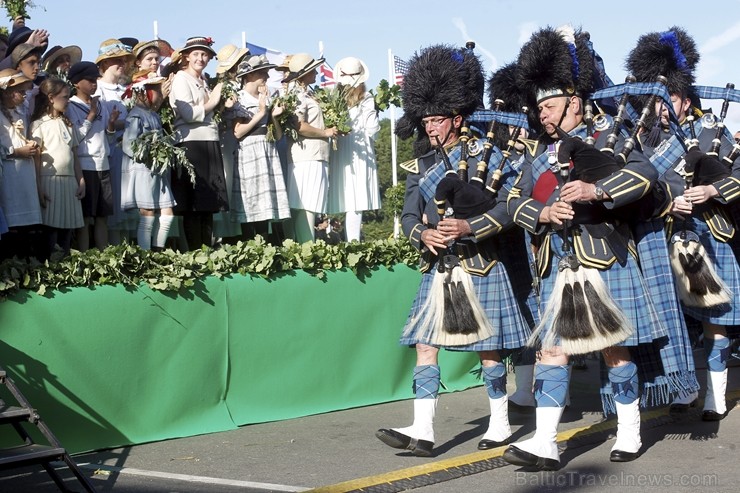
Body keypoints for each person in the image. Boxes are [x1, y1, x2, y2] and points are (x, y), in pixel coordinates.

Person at [502, 26, 668, 470]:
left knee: (614, 350)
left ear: (574, 102)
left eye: (550, 106)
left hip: (604, 255)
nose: (544, 115)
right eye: (539, 108)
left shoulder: (609, 136)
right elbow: (512, 201)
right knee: (551, 351)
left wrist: (595, 192)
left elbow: (644, 174)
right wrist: (541, 214)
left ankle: (630, 429)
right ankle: (545, 442)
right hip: (558, 264)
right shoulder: (540, 152)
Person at [375, 44, 531, 457]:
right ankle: (423, 430)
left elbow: (508, 208)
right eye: (425, 120)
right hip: (440, 266)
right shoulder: (422, 164)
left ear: (457, 118)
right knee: (425, 345)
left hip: (481, 262)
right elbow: (409, 216)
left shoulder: (488, 155)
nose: (429, 128)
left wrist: (468, 226)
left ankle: (499, 423)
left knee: (489, 348)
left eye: (437, 120)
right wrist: (422, 236)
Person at [627, 27, 739, 421]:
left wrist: (711, 191)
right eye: (657, 100)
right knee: (674, 321)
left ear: (685, 100)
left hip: (707, 235)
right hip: (661, 239)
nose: (662, 107)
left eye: (669, 99)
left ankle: (716, 397)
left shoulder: (710, 132)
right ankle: (685, 387)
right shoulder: (641, 142)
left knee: (715, 323)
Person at [168, 36, 229, 250]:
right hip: (191, 144)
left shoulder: (204, 81)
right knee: (193, 203)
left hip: (209, 140)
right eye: (195, 54)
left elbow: (208, 114)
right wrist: (214, 100)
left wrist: (221, 106)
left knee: (208, 203)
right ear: (186, 56)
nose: (200, 58)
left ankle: (207, 249)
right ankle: (195, 251)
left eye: (204, 54)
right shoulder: (181, 79)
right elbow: (188, 113)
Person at [230, 55, 290, 241]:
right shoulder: (240, 98)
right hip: (249, 149)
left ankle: (266, 246)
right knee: (251, 200)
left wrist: (273, 115)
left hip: (267, 148)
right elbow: (238, 132)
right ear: (249, 76)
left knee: (265, 202)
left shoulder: (267, 97)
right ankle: (250, 245)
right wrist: (261, 112)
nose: (265, 76)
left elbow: (278, 135)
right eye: (261, 72)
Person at [283, 53, 339, 243]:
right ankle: (306, 246)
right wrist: (325, 133)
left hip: (314, 153)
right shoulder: (297, 94)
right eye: (312, 69)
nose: (316, 72)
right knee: (306, 203)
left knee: (310, 203)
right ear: (304, 73)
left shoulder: (307, 92)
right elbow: (299, 125)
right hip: (306, 155)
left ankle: (306, 244)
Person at [120, 70, 176, 251]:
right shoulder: (135, 116)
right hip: (143, 169)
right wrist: (149, 152)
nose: (159, 95)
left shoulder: (154, 115)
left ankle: (158, 249)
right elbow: (129, 145)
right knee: (148, 213)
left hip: (157, 170)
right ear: (143, 92)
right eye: (155, 90)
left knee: (167, 210)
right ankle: (146, 255)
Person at [30, 77, 85, 258]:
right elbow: (36, 160)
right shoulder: (38, 125)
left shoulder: (68, 124)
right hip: (49, 180)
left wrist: (81, 180)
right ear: (51, 97)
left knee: (67, 227)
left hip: (69, 181)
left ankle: (66, 264)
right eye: (65, 97)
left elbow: (74, 155)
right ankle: (50, 267)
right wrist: (39, 188)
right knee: (51, 228)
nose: (68, 101)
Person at [327, 57, 380, 242]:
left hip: (340, 148)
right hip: (360, 149)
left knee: (345, 196)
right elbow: (372, 128)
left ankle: (343, 239)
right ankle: (353, 242)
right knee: (357, 199)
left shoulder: (334, 98)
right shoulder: (366, 98)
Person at [66, 61, 116, 251]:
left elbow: (108, 139)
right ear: (76, 83)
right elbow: (75, 138)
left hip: (103, 165)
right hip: (85, 167)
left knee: (102, 215)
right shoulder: (71, 106)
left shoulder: (101, 104)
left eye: (95, 79)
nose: (94, 83)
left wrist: (110, 125)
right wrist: (91, 115)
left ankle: (103, 257)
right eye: (89, 80)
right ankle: (85, 257)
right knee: (86, 217)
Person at [95, 39, 135, 245]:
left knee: (128, 205)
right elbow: (101, 124)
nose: (121, 64)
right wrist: (128, 123)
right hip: (111, 151)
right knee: (114, 205)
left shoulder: (125, 89)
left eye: (123, 60)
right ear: (103, 65)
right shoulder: (98, 90)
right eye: (115, 60)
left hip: (128, 151)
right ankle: (113, 250)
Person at [0, 68, 42, 260]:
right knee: (12, 224)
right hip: (8, 175)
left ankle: (27, 265)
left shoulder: (20, 111)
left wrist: (29, 143)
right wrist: (15, 151)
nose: (25, 94)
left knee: (28, 226)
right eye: (21, 91)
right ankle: (12, 267)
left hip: (25, 173)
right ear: (7, 91)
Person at [212, 43, 250, 244]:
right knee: (227, 184)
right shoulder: (225, 88)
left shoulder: (240, 86)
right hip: (227, 141)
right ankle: (222, 236)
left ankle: (236, 234)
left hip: (236, 143)